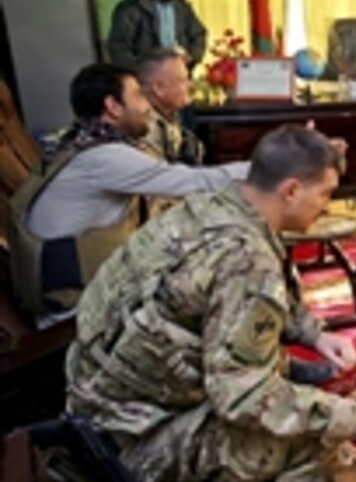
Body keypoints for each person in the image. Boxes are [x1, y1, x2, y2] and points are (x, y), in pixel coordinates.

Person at [66, 124, 356, 482]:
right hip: (126, 439)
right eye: (325, 194)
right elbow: (241, 395)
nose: (327, 208)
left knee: (297, 394)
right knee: (321, 434)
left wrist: (314, 333)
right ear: (291, 189)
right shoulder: (244, 257)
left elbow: (233, 301)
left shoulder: (222, 205)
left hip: (103, 396)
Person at [8, 63, 247, 324]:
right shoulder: (104, 158)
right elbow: (191, 181)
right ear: (113, 106)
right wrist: (275, 167)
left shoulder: (80, 144)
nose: (147, 106)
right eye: (139, 96)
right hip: (79, 317)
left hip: (88, 299)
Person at [137, 48, 204, 165]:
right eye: (182, 80)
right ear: (158, 88)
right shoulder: (143, 128)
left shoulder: (168, 114)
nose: (190, 85)